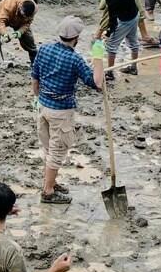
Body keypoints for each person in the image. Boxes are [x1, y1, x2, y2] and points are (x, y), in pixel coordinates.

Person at [29, 16, 106, 205]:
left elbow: (34, 76)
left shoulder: (45, 49)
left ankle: (51, 182)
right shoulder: (74, 59)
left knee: (48, 148)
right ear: (76, 38)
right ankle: (48, 191)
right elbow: (97, 83)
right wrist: (98, 54)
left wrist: (38, 98)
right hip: (61, 113)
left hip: (42, 107)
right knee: (57, 152)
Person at [92, 0, 140, 79]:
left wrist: (108, 33)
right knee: (133, 42)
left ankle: (109, 73)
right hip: (135, 13)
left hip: (126, 20)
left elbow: (113, 19)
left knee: (111, 45)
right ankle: (133, 67)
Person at [0, 0, 37, 69]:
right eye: (23, 15)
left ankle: (35, 63)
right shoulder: (8, 6)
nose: (24, 17)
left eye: (26, 17)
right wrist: (5, 34)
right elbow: (1, 22)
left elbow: (27, 23)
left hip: (21, 22)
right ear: (20, 7)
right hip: (3, 15)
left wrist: (19, 32)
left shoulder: (34, 10)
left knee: (28, 39)